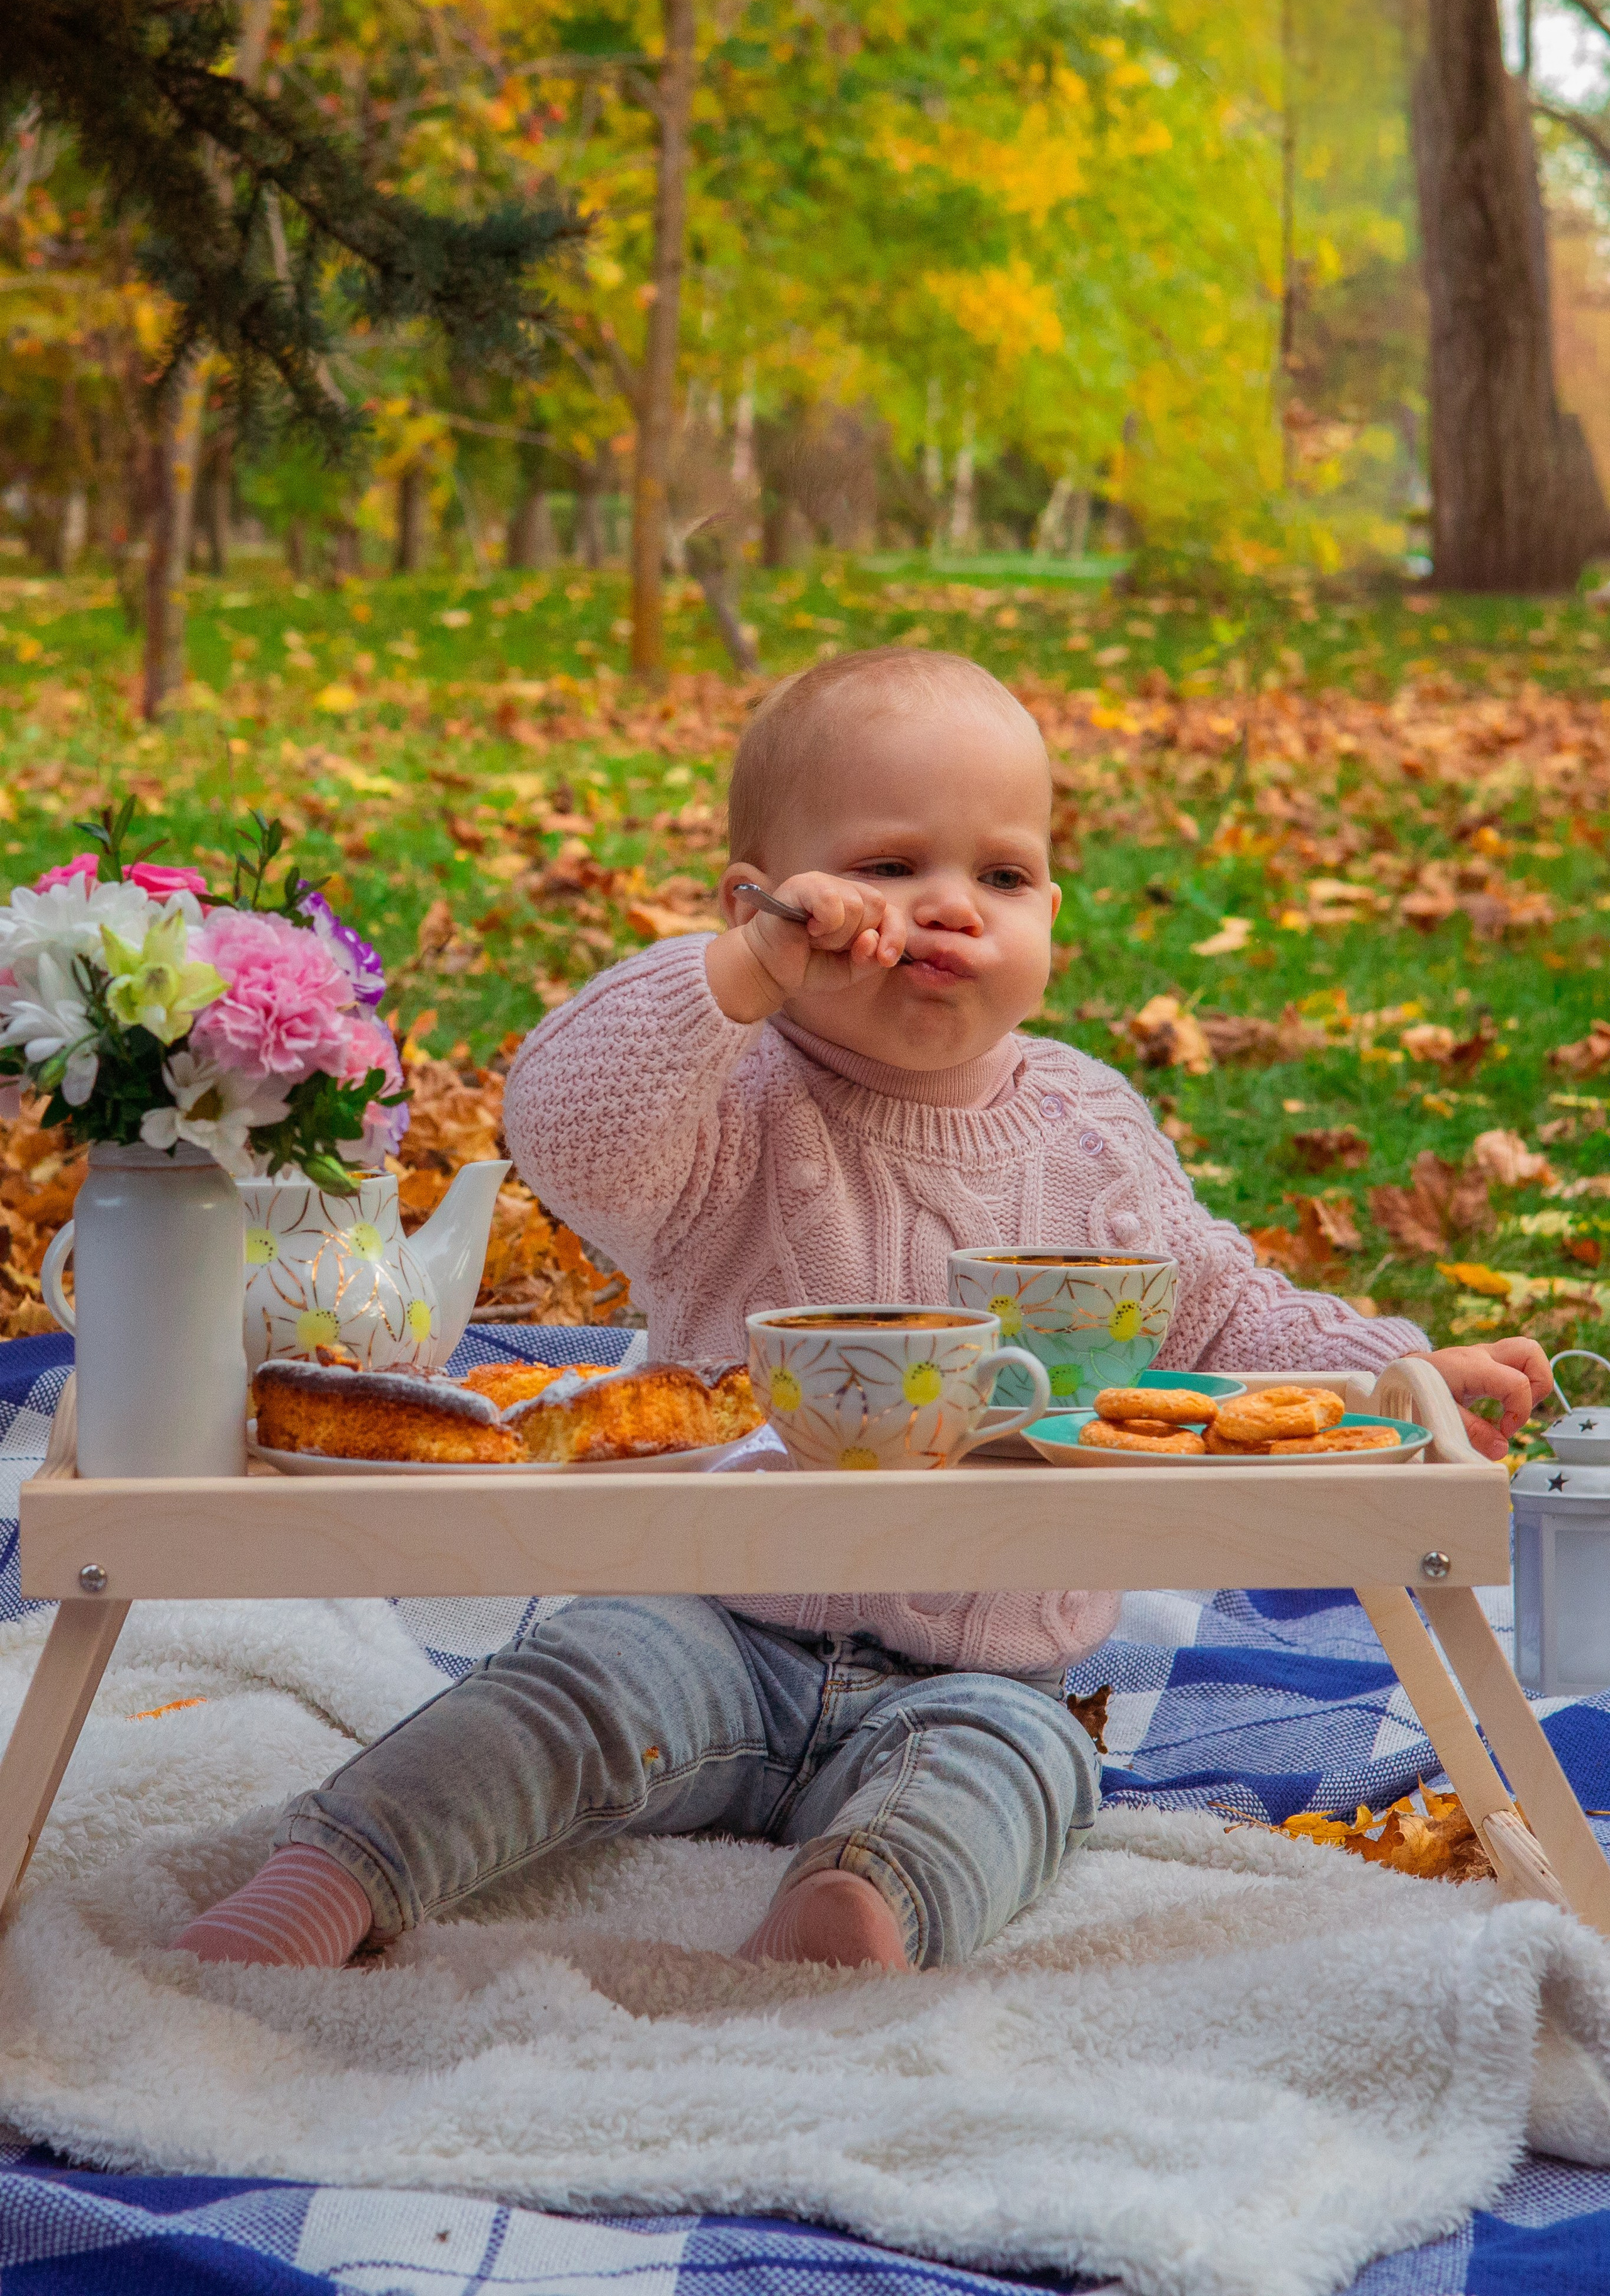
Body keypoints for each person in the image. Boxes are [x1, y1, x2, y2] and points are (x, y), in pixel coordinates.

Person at [174, 646, 1550, 1976]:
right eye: (889, 869)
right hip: (713, 1612)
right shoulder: (729, 1103)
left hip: (988, 1667)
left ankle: (853, 1912)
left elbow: (1209, 1318)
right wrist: (737, 979)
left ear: (1050, 916)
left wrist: (1395, 1368)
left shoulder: (1087, 1126)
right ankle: (339, 1870)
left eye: (1000, 875)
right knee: (560, 1690)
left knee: (1019, 1773)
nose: (950, 904)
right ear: (763, 903)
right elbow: (565, 1128)